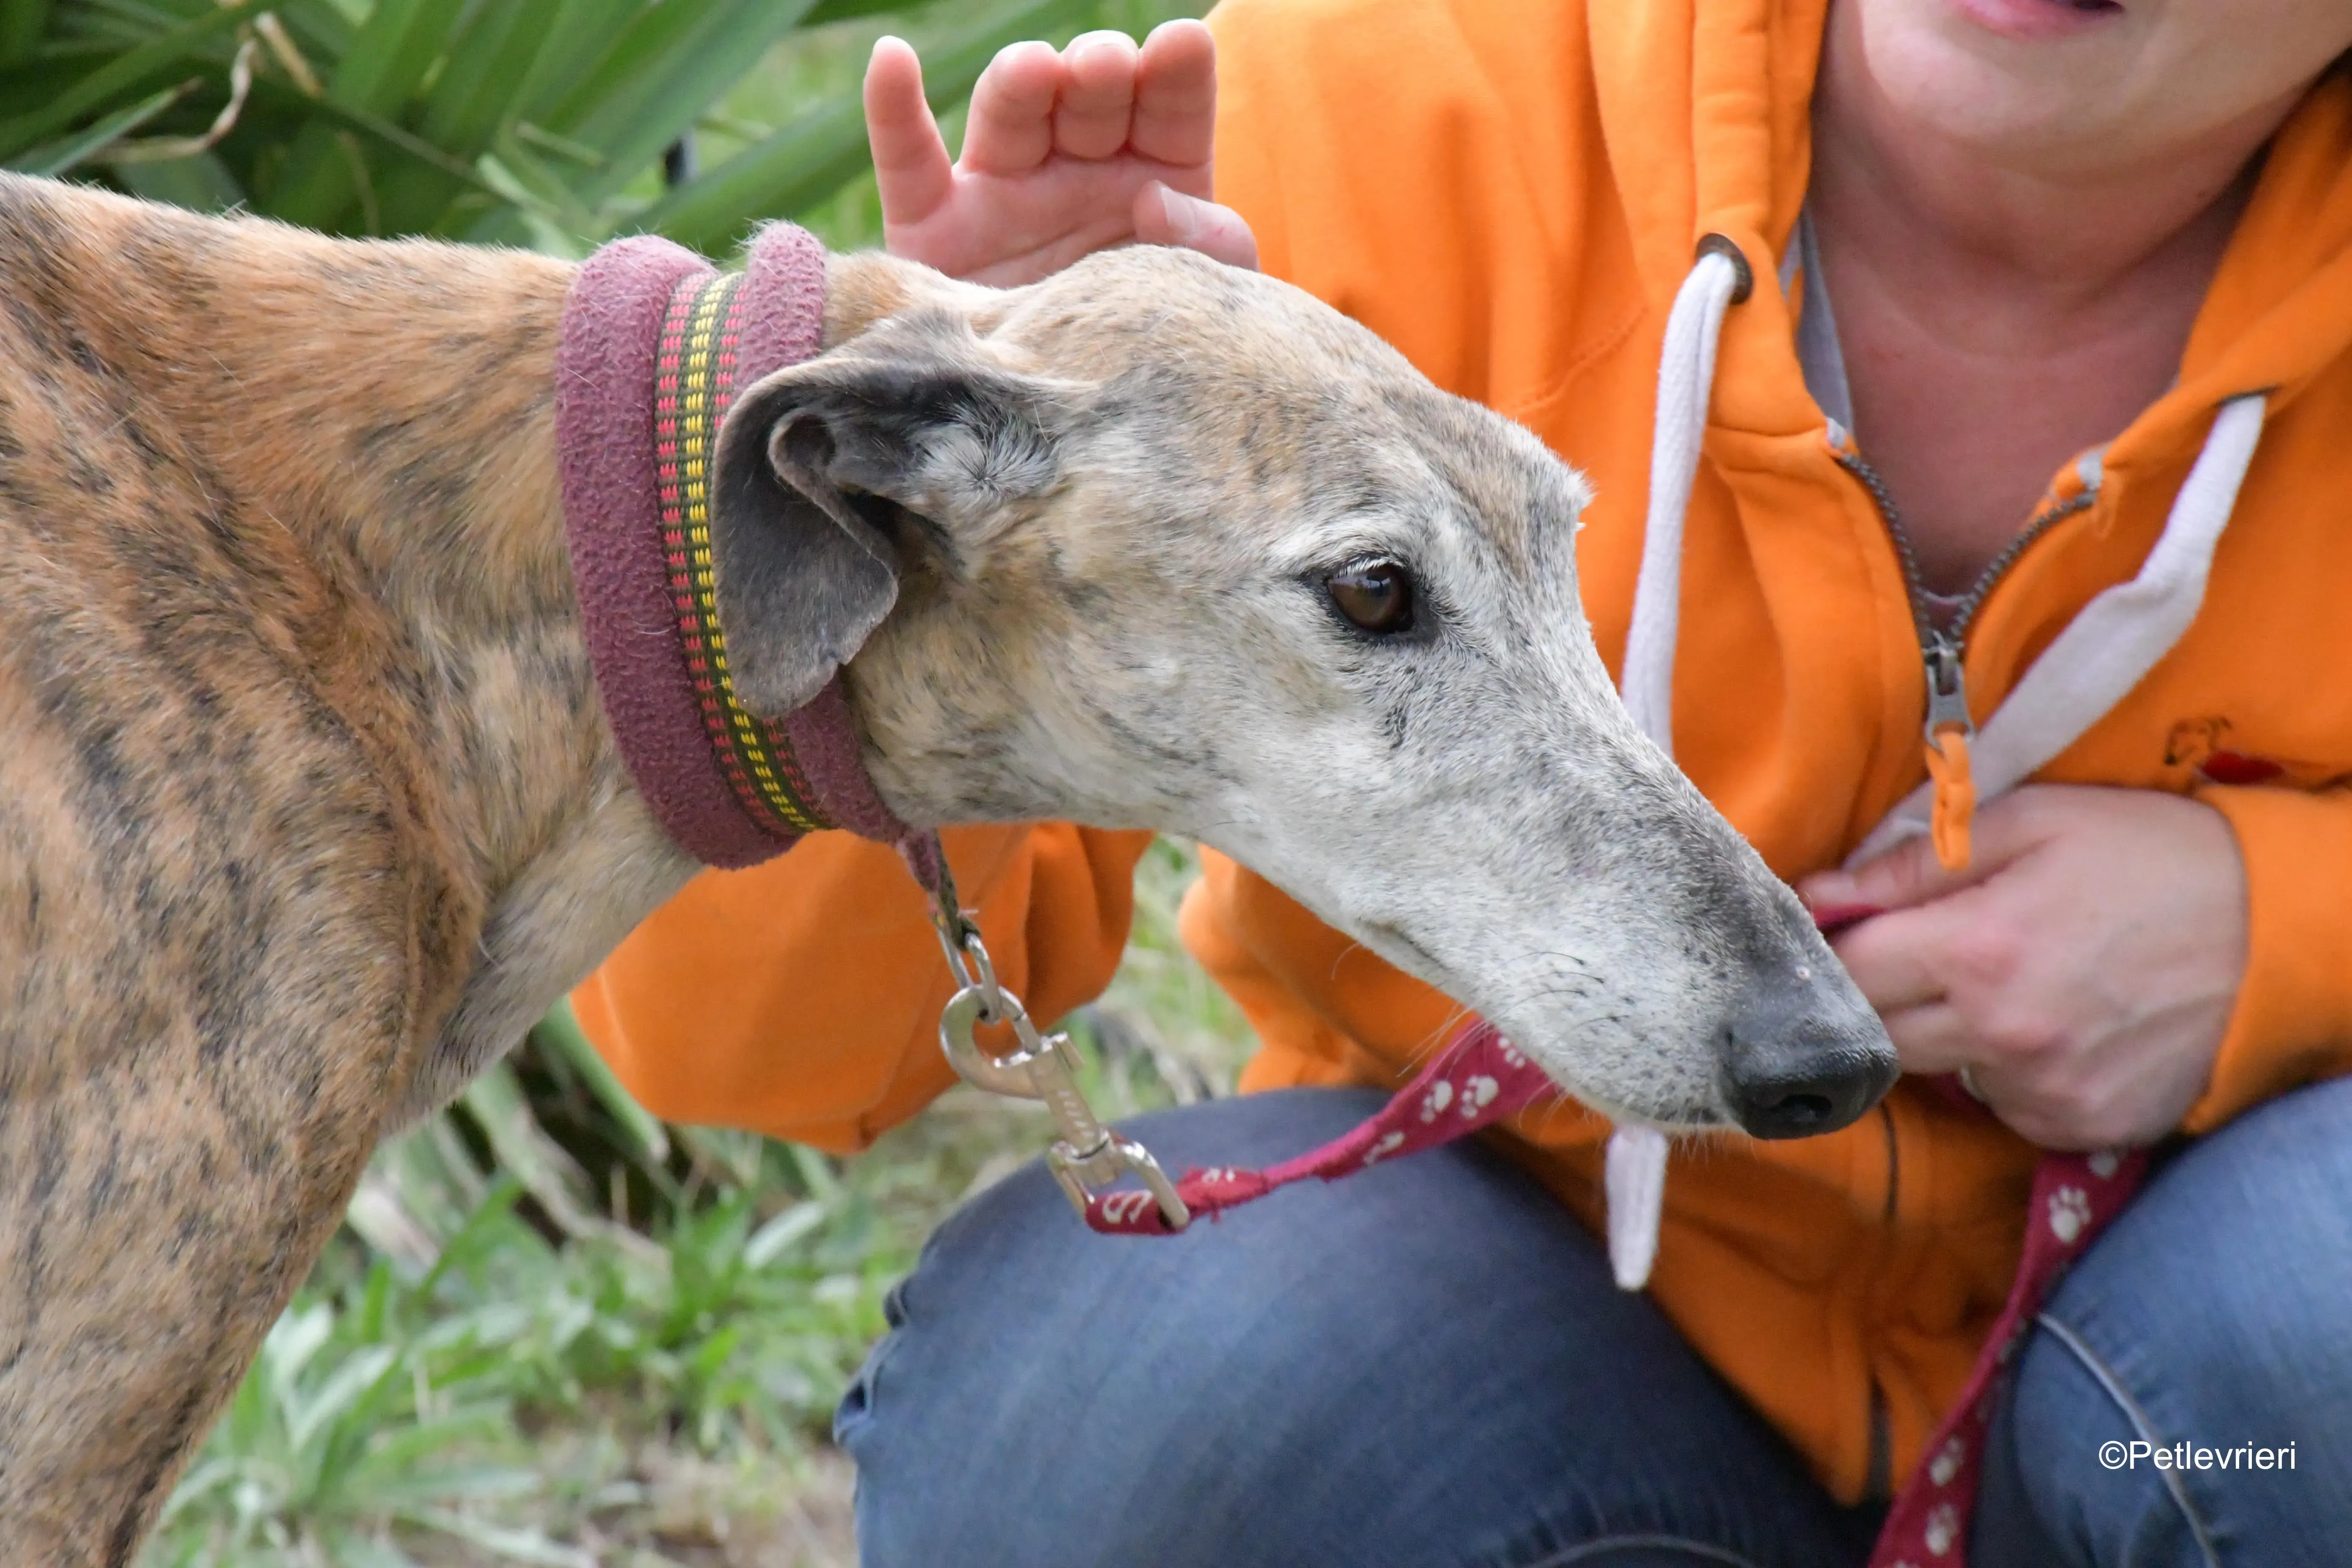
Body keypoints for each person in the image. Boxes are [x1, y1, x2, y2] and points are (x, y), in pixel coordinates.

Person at [572, 1, 2352, 1562]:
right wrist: (940, 600)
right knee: (1138, 1419)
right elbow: (756, 1063)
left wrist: (2279, 928)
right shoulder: (1361, 107)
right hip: (1515, 1381)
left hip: (2199, 1440)